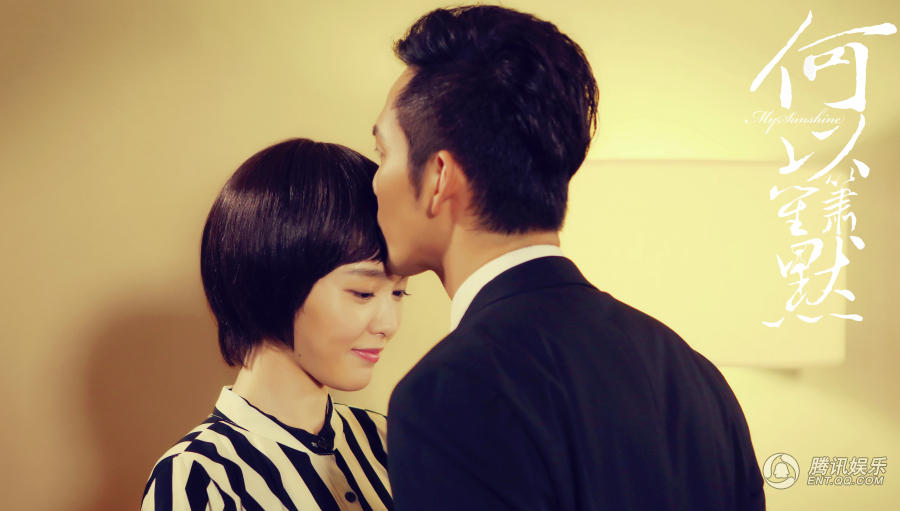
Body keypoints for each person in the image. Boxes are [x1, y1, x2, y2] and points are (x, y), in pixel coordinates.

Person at [371, 6, 765, 511]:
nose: (374, 181)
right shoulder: (696, 378)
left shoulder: (446, 394)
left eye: (383, 153)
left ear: (439, 177)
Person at [141, 138, 405, 511]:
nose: (389, 324)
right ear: (271, 280)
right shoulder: (199, 478)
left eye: (400, 292)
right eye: (363, 292)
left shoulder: (389, 442)